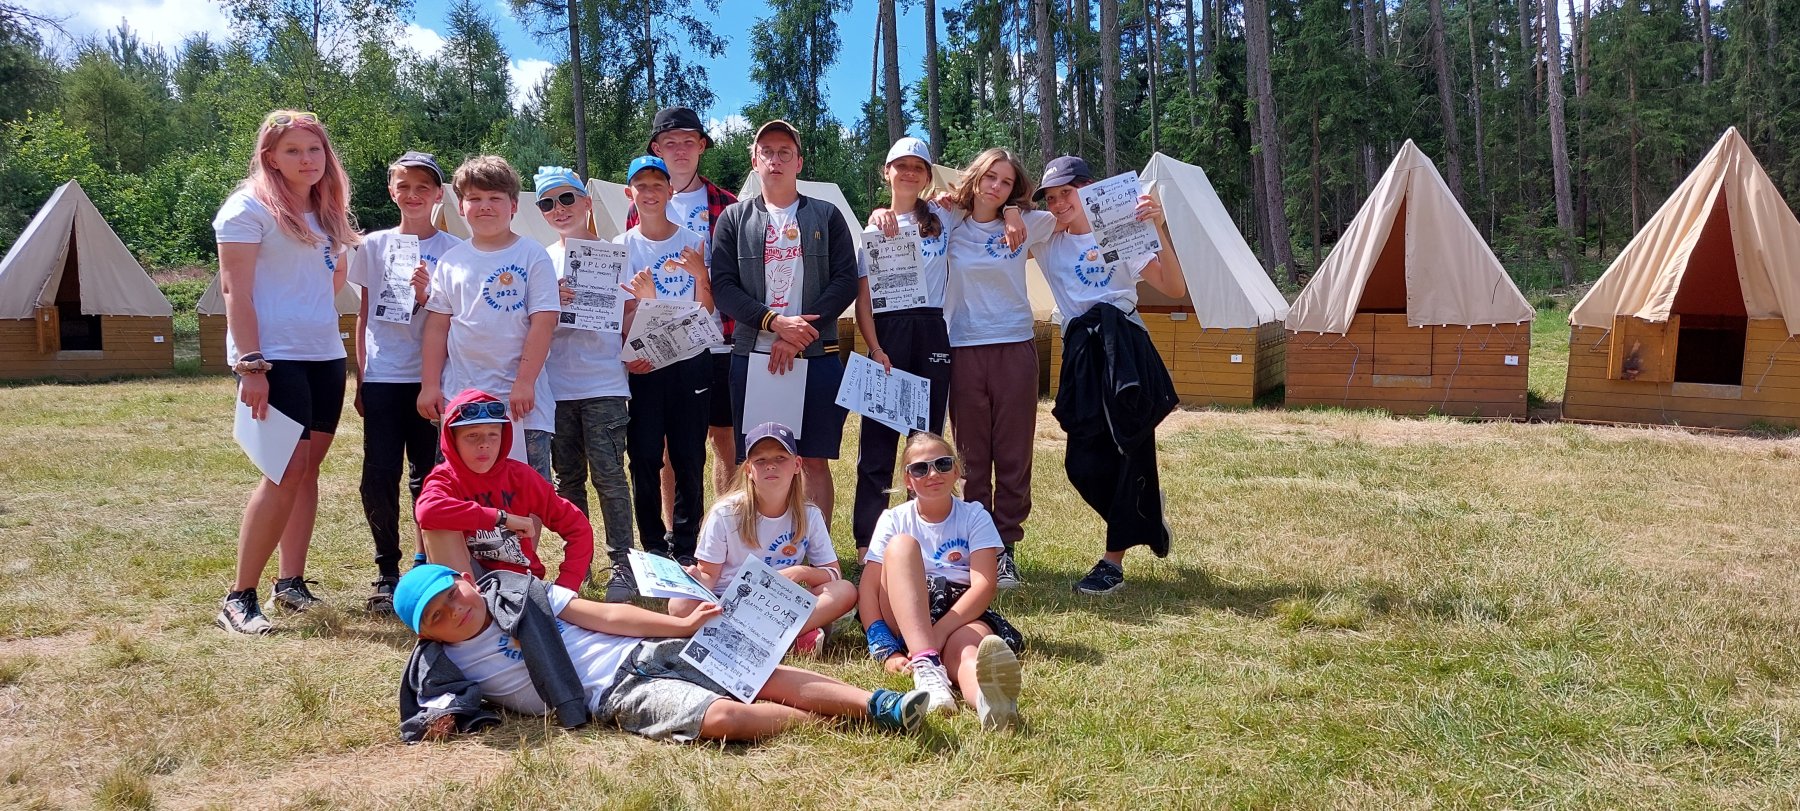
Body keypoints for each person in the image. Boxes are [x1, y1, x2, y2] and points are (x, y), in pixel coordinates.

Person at [394, 563, 931, 743]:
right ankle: (826, 721)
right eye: (436, 618)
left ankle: (877, 704)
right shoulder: (445, 662)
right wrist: (445, 720)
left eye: (451, 596)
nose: (453, 613)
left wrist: (679, 625)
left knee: (756, 672)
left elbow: (605, 616)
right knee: (722, 717)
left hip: (643, 651)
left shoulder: (521, 593)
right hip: (612, 695)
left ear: (465, 579)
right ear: (428, 637)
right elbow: (440, 704)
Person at [213, 109, 362, 634]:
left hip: (324, 355)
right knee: (283, 471)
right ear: (270, 157)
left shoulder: (326, 212)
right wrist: (250, 364)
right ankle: (239, 597)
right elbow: (234, 290)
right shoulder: (246, 209)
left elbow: (330, 279)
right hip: (273, 357)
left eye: (314, 149)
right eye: (293, 150)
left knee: (307, 471)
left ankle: (290, 583)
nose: (307, 159)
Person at [1035, 156, 1186, 595]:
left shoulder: (1119, 232)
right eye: (1051, 197)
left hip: (1123, 346)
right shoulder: (1048, 240)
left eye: (1067, 192)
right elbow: (997, 223)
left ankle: (1112, 563)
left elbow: (1173, 287)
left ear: (1089, 188)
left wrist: (1158, 227)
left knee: (1129, 450)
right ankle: (1146, 516)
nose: (1059, 204)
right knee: (1080, 465)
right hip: (1081, 352)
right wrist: (1009, 213)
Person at [710, 119, 859, 518]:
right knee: (758, 459)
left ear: (799, 162)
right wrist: (775, 324)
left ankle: (816, 547)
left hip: (817, 354)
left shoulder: (826, 215)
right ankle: (756, 544)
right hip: (754, 355)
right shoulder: (734, 219)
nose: (775, 160)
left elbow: (845, 282)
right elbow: (723, 287)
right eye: (767, 153)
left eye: (784, 153)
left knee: (812, 460)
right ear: (754, 162)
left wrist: (799, 335)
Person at [936, 148, 1055, 589]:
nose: (996, 187)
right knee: (971, 456)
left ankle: (1005, 548)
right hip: (964, 347)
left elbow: (1074, 215)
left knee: (1013, 454)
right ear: (976, 176)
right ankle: (977, 546)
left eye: (1006, 182)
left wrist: (1014, 211)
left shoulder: (1028, 223)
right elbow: (906, 214)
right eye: (990, 177)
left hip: (1014, 346)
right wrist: (879, 212)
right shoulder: (950, 220)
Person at [350, 151, 463, 612]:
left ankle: (426, 563)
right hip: (384, 375)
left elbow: (456, 316)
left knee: (429, 476)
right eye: (404, 186)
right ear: (391, 191)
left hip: (432, 378)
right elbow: (362, 315)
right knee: (379, 474)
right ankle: (386, 569)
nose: (413, 195)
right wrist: (361, 376)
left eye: (423, 187)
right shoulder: (373, 245)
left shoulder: (455, 249)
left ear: (438, 195)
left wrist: (425, 295)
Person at [857, 432, 1025, 730]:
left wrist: (942, 631)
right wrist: (886, 649)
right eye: (920, 469)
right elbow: (869, 590)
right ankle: (927, 665)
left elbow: (984, 584)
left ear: (957, 471)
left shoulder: (975, 516)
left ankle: (990, 703)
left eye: (943, 464)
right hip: (906, 610)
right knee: (902, 546)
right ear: (908, 480)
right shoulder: (894, 519)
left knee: (968, 652)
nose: (933, 474)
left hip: (961, 611)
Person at [417, 155, 559, 481]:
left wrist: (524, 382)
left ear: (513, 205)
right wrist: (430, 385)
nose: (485, 206)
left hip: (520, 404)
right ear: (461, 206)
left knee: (526, 493)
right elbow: (437, 327)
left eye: (495, 198)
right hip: (461, 400)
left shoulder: (532, 255)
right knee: (462, 492)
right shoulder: (451, 261)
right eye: (474, 198)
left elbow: (543, 322)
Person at [533, 166, 637, 601]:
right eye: (547, 203)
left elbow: (630, 317)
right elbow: (528, 325)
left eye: (567, 199)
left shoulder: (615, 255)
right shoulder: (539, 259)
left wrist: (639, 325)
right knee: (568, 481)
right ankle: (578, 561)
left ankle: (623, 565)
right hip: (556, 388)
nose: (559, 209)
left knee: (610, 476)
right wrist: (550, 304)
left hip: (604, 384)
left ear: (587, 202)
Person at [669, 423, 855, 657]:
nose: (770, 465)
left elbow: (834, 574)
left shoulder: (810, 515)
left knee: (845, 591)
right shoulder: (725, 513)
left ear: (797, 465)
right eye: (760, 460)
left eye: (780, 458)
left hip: (778, 603)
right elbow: (709, 575)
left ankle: (745, 636)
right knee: (679, 605)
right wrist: (695, 579)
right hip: (728, 601)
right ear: (748, 469)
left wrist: (801, 572)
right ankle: (788, 638)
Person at [614, 156, 714, 580]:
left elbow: (706, 311)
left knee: (690, 456)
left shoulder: (693, 241)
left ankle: (686, 545)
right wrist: (642, 320)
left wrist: (700, 276)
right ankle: (654, 544)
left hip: (690, 363)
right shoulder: (621, 246)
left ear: (671, 191)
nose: (650, 192)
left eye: (658, 184)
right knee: (644, 457)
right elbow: (620, 315)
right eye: (642, 185)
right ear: (629, 193)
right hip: (645, 365)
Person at [636, 106, 741, 501]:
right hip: (659, 339)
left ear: (701, 146)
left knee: (724, 437)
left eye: (688, 141)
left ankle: (724, 526)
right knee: (665, 443)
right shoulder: (641, 203)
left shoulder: (728, 204)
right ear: (657, 148)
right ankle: (672, 530)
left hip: (717, 336)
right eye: (670, 142)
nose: (679, 150)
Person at [414, 389, 594, 592]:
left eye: (493, 435)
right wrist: (502, 518)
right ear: (452, 439)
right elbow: (426, 512)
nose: (484, 444)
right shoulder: (445, 478)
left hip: (521, 585)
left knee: (592, 611)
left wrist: (567, 586)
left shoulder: (521, 476)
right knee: (437, 525)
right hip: (472, 586)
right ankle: (470, 607)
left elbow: (578, 527)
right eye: (472, 435)